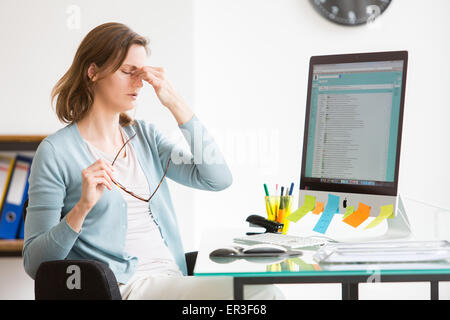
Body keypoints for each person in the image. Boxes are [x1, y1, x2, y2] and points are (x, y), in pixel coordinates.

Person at [23, 22, 284, 300]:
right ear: (93, 72)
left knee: (261, 291)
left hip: (174, 280)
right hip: (129, 288)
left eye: (142, 74)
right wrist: (82, 208)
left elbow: (217, 179)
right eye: (127, 72)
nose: (138, 83)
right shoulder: (55, 152)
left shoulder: (145, 137)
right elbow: (35, 263)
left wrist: (174, 102)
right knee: (262, 294)